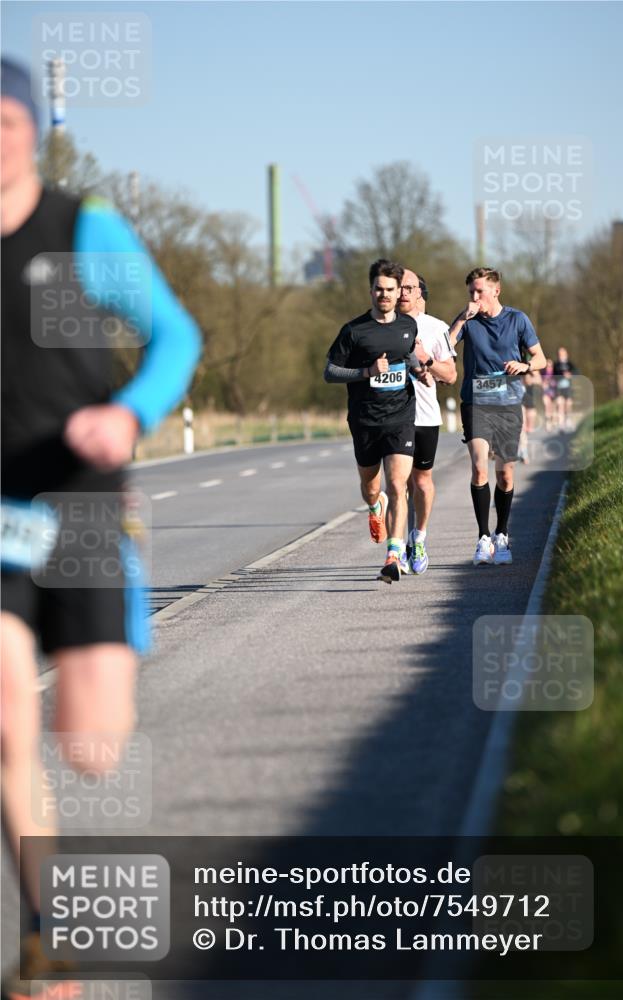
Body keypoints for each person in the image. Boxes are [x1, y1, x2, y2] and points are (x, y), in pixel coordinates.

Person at [1, 57, 201, 998]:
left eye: (6, 121)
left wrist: (128, 416)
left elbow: (176, 336)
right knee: (6, 725)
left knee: (91, 748)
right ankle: (50, 939)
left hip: (80, 502)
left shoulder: (81, 227)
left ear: (34, 129)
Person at [324, 259, 428, 583]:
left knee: (399, 484)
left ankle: (393, 555)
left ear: (400, 292)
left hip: (400, 416)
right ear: (371, 290)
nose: (384, 295)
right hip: (365, 419)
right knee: (372, 488)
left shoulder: (408, 326)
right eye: (378, 289)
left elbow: (410, 355)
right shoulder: (354, 331)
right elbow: (330, 372)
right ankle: (374, 506)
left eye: (390, 290)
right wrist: (366, 372)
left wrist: (421, 369)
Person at [448, 267, 546, 566]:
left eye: (479, 291)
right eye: (471, 292)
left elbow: (541, 358)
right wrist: (462, 319)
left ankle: (502, 534)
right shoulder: (467, 320)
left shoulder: (518, 319)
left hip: (507, 405)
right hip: (476, 402)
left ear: (496, 291)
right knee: (479, 468)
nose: (475, 297)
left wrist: (524, 365)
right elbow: (445, 347)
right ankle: (483, 537)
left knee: (505, 474)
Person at [397, 270, 457, 573]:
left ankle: (418, 537)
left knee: (420, 482)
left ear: (420, 291)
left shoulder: (437, 328)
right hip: (393, 417)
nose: (403, 292)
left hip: (425, 416)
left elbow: (450, 375)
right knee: (399, 484)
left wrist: (427, 361)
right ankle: (399, 546)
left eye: (409, 287)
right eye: (399, 287)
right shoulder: (384, 325)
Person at [553, 346, 577, 430]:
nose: (561, 355)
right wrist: (560, 376)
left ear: (566, 354)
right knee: (560, 405)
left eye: (562, 353)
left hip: (568, 388)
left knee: (568, 404)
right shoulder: (556, 364)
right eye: (559, 354)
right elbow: (553, 376)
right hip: (559, 388)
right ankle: (561, 424)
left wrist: (570, 375)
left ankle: (568, 419)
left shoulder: (570, 364)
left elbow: (576, 373)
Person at [541, 358, 556, 430]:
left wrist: (552, 383)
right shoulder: (543, 373)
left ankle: (552, 420)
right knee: (547, 405)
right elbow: (540, 382)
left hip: (554, 393)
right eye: (547, 366)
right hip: (546, 392)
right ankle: (548, 423)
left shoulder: (555, 373)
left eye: (550, 366)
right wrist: (543, 383)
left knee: (551, 408)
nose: (549, 367)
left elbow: (557, 383)